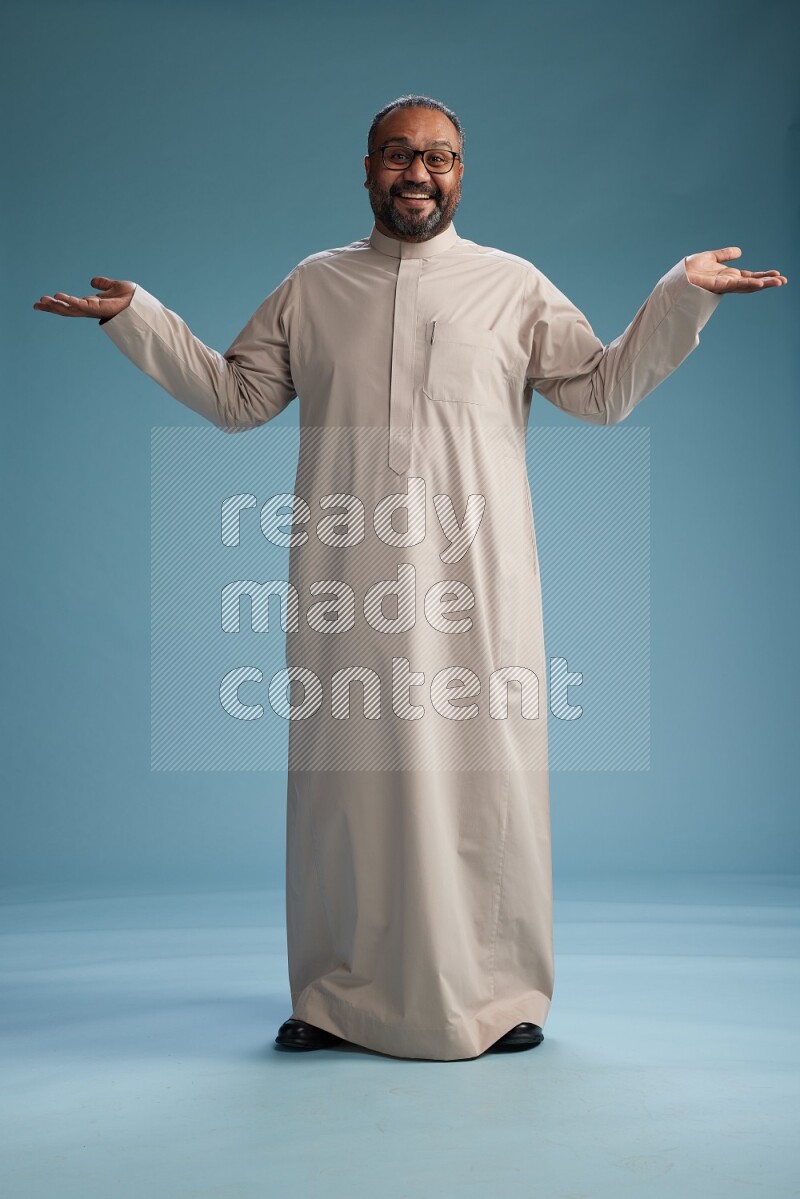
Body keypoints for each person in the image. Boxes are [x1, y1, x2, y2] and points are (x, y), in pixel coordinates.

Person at [34, 94, 787, 1062]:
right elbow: (236, 396)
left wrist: (679, 294)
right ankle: (334, 995)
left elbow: (600, 391)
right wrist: (139, 318)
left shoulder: (510, 286)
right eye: (398, 155)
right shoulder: (315, 285)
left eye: (438, 157)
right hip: (346, 585)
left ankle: (501, 993)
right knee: (344, 790)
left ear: (461, 174)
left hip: (478, 586)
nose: (417, 174)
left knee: (487, 785)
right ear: (364, 169)